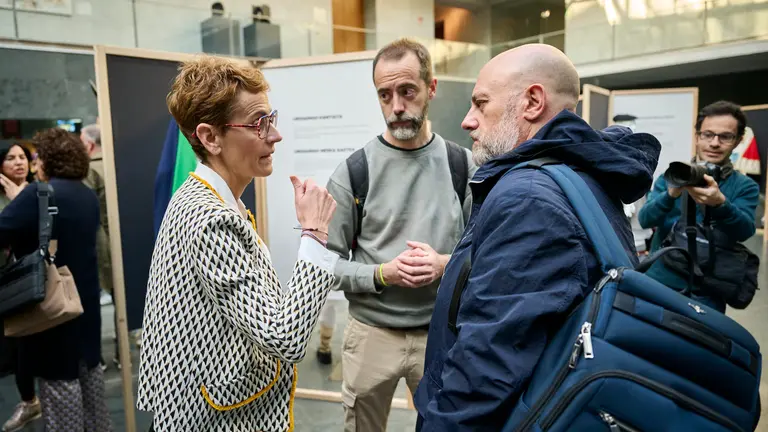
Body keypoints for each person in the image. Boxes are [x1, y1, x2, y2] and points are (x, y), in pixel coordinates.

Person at [413, 44, 661, 431]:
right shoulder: (576, 174)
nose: (467, 120)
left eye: (481, 104)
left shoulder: (529, 196)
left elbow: (487, 364)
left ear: (532, 102)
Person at [137, 55, 339, 431]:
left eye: (271, 119)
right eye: (259, 124)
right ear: (210, 137)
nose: (274, 136)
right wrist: (314, 233)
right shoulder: (210, 217)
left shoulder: (199, 198)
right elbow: (287, 338)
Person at [324, 38, 475, 432]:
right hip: (370, 334)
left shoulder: (464, 167)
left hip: (441, 334)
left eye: (407, 91)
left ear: (431, 88)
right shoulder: (354, 172)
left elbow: (488, 253)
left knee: (446, 428)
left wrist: (444, 264)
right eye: (385, 94)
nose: (396, 107)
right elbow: (325, 264)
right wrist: (381, 274)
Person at [0, 128, 112, 431]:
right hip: (83, 305)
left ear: (47, 160)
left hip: (51, 311)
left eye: (36, 158)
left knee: (60, 394)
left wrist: (17, 200)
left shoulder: (38, 195)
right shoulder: (86, 194)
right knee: (90, 391)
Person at [638, 101, 759, 313]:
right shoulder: (675, 174)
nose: (714, 143)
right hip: (660, 279)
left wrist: (721, 204)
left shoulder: (744, 186)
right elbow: (645, 219)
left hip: (708, 289)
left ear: (738, 140)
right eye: (707, 134)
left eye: (725, 136)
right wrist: (671, 193)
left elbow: (745, 231)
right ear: (697, 137)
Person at [0, 141, 41, 432]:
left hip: (38, 276)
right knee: (18, 344)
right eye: (11, 158)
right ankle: (29, 400)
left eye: (22, 157)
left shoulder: (39, 189)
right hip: (9, 281)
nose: (18, 162)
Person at [80, 124, 119, 371]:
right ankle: (121, 353)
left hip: (98, 243)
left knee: (91, 301)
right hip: (122, 240)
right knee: (121, 300)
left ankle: (98, 359)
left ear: (89, 145)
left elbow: (86, 213)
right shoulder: (117, 163)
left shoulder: (88, 171)